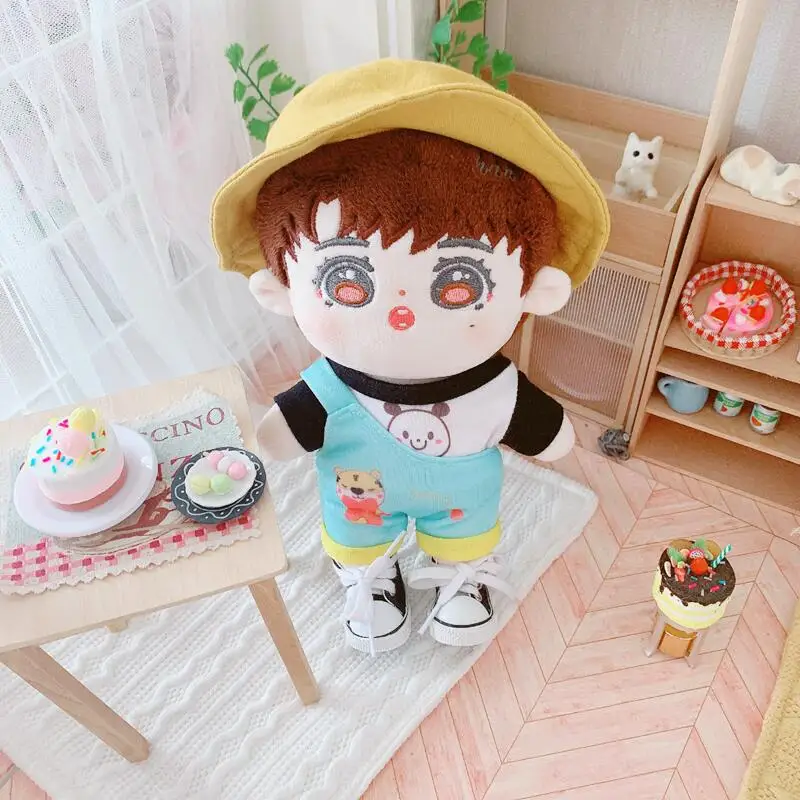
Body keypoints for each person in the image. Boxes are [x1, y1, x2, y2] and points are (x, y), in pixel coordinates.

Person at [211, 59, 609, 654]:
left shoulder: (495, 388)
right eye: (348, 280)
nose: (402, 317)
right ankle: (369, 573)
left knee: (466, 527)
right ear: (281, 291)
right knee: (356, 531)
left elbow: (547, 435)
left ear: (535, 291)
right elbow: (277, 436)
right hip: (361, 501)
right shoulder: (329, 390)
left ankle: (461, 570)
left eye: (458, 283)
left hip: (461, 504)